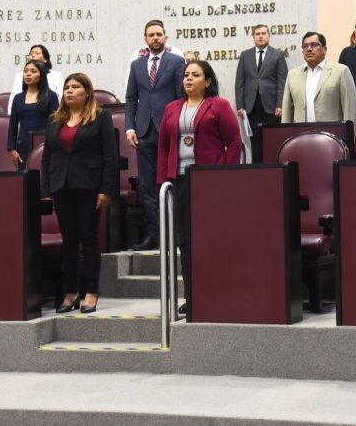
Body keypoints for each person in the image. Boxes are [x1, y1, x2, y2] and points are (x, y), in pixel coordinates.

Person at [157, 60, 243, 314]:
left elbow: (234, 142)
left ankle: (219, 292)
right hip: (179, 179)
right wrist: (163, 180)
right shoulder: (172, 108)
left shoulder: (219, 105)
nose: (189, 79)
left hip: (209, 180)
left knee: (211, 237)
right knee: (185, 239)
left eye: (195, 75)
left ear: (207, 81)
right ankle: (192, 295)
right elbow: (163, 147)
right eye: (186, 75)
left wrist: (227, 176)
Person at [41, 73, 118, 314]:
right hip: (61, 186)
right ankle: (71, 292)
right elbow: (47, 158)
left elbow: (110, 155)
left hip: (89, 186)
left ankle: (91, 292)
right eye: (67, 87)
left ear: (87, 92)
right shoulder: (54, 119)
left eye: (75, 87)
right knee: (69, 241)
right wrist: (47, 189)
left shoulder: (101, 117)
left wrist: (106, 189)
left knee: (88, 237)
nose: (69, 91)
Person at [124, 19, 184, 251]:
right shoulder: (136, 65)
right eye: (151, 35)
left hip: (169, 131)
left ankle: (174, 233)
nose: (155, 38)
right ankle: (154, 233)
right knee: (147, 185)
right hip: (144, 131)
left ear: (165, 37)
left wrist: (177, 125)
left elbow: (181, 97)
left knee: (170, 182)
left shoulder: (176, 62)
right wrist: (130, 127)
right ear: (145, 39)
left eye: (159, 34)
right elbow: (131, 98)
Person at [282, 31, 356, 128]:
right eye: (305, 46)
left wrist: (348, 136)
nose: (309, 49)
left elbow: (350, 110)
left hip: (331, 134)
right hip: (301, 134)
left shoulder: (341, 71)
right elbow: (287, 112)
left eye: (314, 45)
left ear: (324, 49)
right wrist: (286, 134)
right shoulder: (292, 75)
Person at [234, 24, 287, 163]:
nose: (261, 36)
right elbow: (239, 81)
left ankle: (273, 168)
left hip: (272, 106)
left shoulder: (278, 55)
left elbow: (282, 81)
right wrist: (240, 105)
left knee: (272, 139)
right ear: (253, 37)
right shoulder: (245, 55)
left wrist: (280, 104)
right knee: (255, 140)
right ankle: (257, 168)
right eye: (257, 34)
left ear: (269, 35)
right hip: (251, 105)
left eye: (263, 33)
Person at [7, 60, 59, 170]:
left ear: (42, 75)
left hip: (45, 145)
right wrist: (12, 149)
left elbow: (56, 123)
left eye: (33, 71)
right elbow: (13, 125)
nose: (28, 74)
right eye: (26, 71)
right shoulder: (18, 98)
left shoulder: (51, 96)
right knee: (25, 178)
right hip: (23, 147)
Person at [8, 44, 63, 113]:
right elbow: (13, 98)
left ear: (45, 59)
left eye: (37, 53)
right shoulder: (19, 76)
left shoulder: (56, 76)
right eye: (31, 54)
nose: (33, 55)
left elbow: (60, 98)